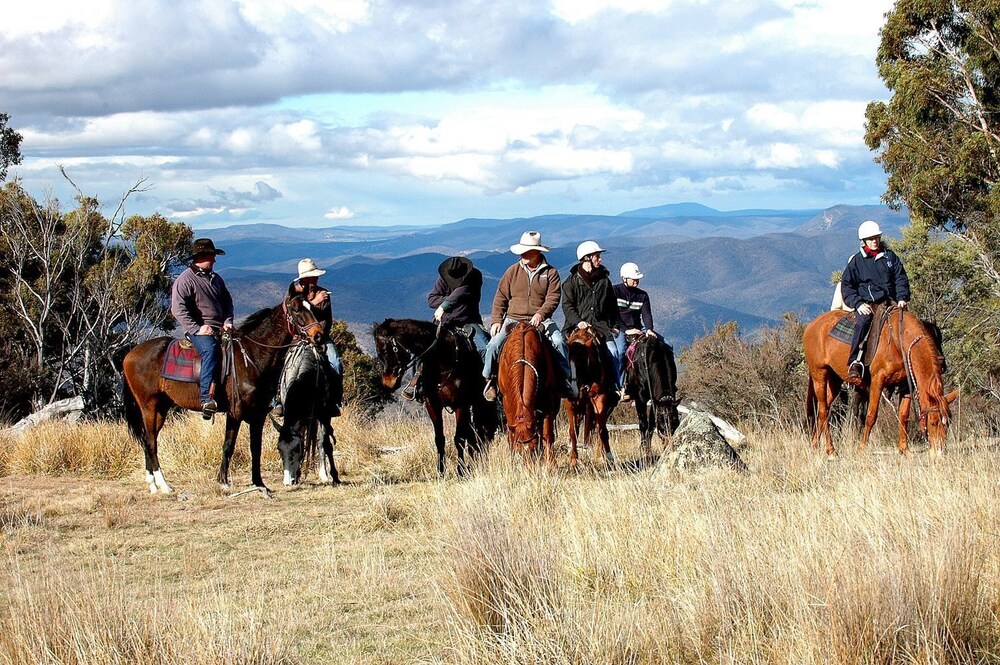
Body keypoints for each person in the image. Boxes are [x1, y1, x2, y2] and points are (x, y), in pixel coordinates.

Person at [482, 231, 573, 401]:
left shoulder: (551, 273)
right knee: (494, 345)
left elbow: (553, 298)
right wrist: (496, 321)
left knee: (560, 342)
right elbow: (501, 297)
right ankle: (490, 379)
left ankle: (563, 380)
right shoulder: (512, 271)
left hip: (541, 320)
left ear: (536, 252)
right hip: (512, 319)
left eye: (526, 250)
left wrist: (541, 314)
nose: (522, 254)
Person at [402, 257, 489, 401]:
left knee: (486, 346)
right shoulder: (444, 278)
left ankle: (490, 382)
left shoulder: (475, 275)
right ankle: (416, 385)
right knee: (422, 351)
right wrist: (450, 300)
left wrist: (445, 305)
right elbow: (431, 299)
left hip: (468, 322)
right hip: (445, 323)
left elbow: (463, 291)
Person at [170, 238, 235, 418]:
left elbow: (227, 302)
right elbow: (177, 309)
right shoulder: (185, 280)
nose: (214, 260)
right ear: (202, 256)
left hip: (221, 328)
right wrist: (198, 329)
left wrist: (228, 320)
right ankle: (206, 397)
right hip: (200, 332)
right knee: (210, 351)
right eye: (212, 256)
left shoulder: (216, 279)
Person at [840, 220, 911, 382]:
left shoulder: (890, 257)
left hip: (890, 302)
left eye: (876, 237)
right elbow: (847, 285)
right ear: (864, 241)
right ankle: (855, 361)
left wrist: (902, 298)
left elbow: (901, 278)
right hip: (868, 304)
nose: (874, 241)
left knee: (907, 324)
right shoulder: (857, 262)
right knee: (862, 323)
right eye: (871, 238)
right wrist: (858, 303)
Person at [279, 258, 343, 415]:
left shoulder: (324, 294)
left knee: (335, 361)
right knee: (278, 362)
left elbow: (326, 320)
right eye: (312, 277)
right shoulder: (293, 294)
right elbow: (294, 314)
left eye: (315, 277)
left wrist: (321, 335)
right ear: (303, 278)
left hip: (319, 336)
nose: (315, 279)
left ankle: (334, 400)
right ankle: (277, 400)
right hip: (296, 336)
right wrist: (314, 303)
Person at [562, 240, 623, 397]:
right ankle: (564, 385)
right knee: (562, 353)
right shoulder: (571, 282)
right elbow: (567, 307)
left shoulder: (604, 281)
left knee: (613, 351)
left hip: (600, 327)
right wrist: (578, 321)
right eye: (597, 256)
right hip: (575, 326)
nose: (600, 259)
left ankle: (616, 386)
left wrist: (614, 325)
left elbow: (612, 306)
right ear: (586, 258)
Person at [612, 262, 663, 397]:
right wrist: (625, 330)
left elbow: (646, 314)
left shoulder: (642, 295)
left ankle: (664, 384)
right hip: (620, 329)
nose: (636, 281)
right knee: (621, 351)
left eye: (637, 278)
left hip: (638, 328)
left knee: (666, 345)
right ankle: (620, 385)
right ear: (624, 278)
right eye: (633, 278)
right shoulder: (614, 291)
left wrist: (649, 329)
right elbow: (611, 313)